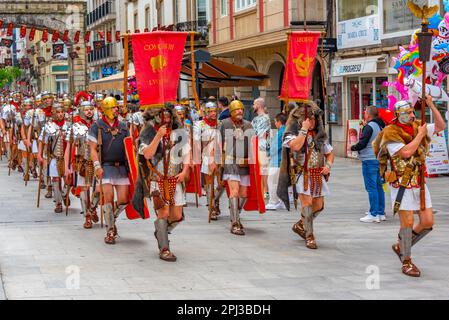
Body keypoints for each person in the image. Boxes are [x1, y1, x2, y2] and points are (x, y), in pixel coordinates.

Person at [372, 95, 446, 277]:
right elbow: (405, 152)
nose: (412, 115)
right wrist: (420, 135)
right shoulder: (390, 132)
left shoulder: (417, 126)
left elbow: (440, 126)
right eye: (408, 112)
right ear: (398, 115)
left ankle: (401, 246)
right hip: (401, 183)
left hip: (419, 181)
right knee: (408, 223)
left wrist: (430, 105)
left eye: (413, 111)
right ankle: (406, 261)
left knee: (428, 222)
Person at [277, 101, 334, 249]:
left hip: (317, 174)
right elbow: (295, 146)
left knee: (319, 206)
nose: (311, 121)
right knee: (307, 205)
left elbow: (330, 153)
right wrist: (303, 130)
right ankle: (310, 236)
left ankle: (301, 225)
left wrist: (328, 165)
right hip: (301, 174)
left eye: (313, 119)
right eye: (308, 119)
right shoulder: (292, 134)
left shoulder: (319, 136)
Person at [137, 105, 191, 261]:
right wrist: (158, 136)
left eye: (168, 116)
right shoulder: (147, 133)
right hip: (157, 179)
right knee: (164, 213)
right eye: (163, 116)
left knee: (177, 216)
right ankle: (164, 248)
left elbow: (187, 153)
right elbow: (147, 154)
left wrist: (185, 170)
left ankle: (161, 232)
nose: (166, 120)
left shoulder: (179, 133)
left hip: (176, 178)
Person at [88, 97, 130, 244]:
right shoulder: (97, 126)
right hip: (105, 166)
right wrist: (97, 166)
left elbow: (130, 148)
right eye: (113, 108)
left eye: (116, 107)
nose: (116, 110)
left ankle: (111, 219)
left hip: (122, 167)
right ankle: (110, 230)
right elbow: (93, 149)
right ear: (106, 109)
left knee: (124, 200)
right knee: (108, 198)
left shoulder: (124, 126)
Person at [215, 100, 254, 235]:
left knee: (243, 194)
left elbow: (253, 143)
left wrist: (253, 157)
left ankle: (235, 213)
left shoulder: (248, 125)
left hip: (244, 163)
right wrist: (217, 160)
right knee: (235, 191)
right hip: (230, 161)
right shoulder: (224, 124)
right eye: (237, 110)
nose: (240, 112)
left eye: (241, 109)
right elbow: (218, 142)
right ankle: (235, 223)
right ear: (231, 111)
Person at [65, 100, 98, 229]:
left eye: (91, 109)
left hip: (97, 162)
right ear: (81, 111)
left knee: (98, 189)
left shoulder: (98, 125)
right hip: (82, 162)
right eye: (86, 109)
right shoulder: (75, 127)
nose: (89, 111)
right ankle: (87, 216)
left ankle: (93, 207)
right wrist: (68, 166)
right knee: (84, 189)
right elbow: (69, 146)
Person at [351, 106, 386, 223]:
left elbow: (362, 143)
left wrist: (353, 147)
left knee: (371, 188)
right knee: (378, 187)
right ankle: (380, 212)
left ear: (369, 115)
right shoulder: (380, 125)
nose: (364, 114)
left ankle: (373, 214)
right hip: (378, 159)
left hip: (369, 160)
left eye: (365, 112)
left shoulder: (369, 127)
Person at [37, 103, 70, 213]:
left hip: (67, 158)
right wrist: (40, 155)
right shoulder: (48, 126)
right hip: (54, 157)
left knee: (67, 180)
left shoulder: (69, 125)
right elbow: (42, 141)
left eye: (62, 112)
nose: (61, 114)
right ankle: (58, 203)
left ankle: (64, 194)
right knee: (56, 180)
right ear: (53, 114)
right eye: (58, 112)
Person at [193, 101, 220, 220]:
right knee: (209, 183)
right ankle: (212, 207)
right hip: (207, 155)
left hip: (221, 156)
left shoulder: (220, 123)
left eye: (215, 111)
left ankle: (216, 200)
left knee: (222, 183)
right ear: (206, 112)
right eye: (211, 111)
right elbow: (196, 141)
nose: (213, 113)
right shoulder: (200, 124)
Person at [266, 113, 287, 210]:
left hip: (276, 161)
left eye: (275, 122)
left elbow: (275, 148)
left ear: (279, 122)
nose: (275, 124)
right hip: (281, 161)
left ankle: (273, 201)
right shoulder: (285, 130)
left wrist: (269, 153)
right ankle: (280, 201)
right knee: (278, 182)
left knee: (272, 181)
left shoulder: (281, 132)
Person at [251, 97, 271, 197]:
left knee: (263, 168)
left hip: (262, 146)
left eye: (254, 104)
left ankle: (265, 190)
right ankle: (262, 189)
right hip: (257, 145)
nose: (253, 106)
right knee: (260, 169)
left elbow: (258, 133)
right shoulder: (256, 118)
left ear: (258, 105)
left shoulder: (264, 118)